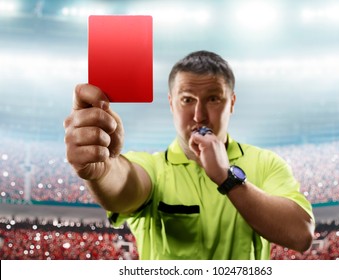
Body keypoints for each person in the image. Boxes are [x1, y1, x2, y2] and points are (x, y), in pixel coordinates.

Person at [64, 50, 315, 260]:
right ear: (171, 103)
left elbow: (301, 235)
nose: (199, 115)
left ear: (232, 103)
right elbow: (123, 187)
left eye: (214, 99)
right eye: (187, 100)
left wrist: (227, 178)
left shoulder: (265, 163)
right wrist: (102, 169)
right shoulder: (152, 167)